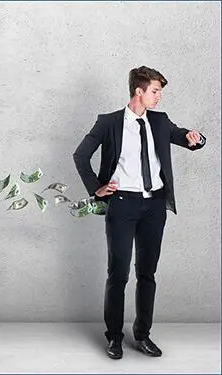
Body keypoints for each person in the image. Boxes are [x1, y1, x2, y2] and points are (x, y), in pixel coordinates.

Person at [73, 66, 205, 359]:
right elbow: (81, 155)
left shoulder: (159, 121)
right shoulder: (109, 122)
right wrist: (96, 187)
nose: (159, 97)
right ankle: (114, 338)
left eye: (159, 92)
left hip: (154, 207)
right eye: (155, 91)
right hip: (122, 205)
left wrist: (196, 138)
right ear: (139, 91)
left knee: (147, 273)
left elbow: (183, 137)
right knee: (117, 274)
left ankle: (142, 335)